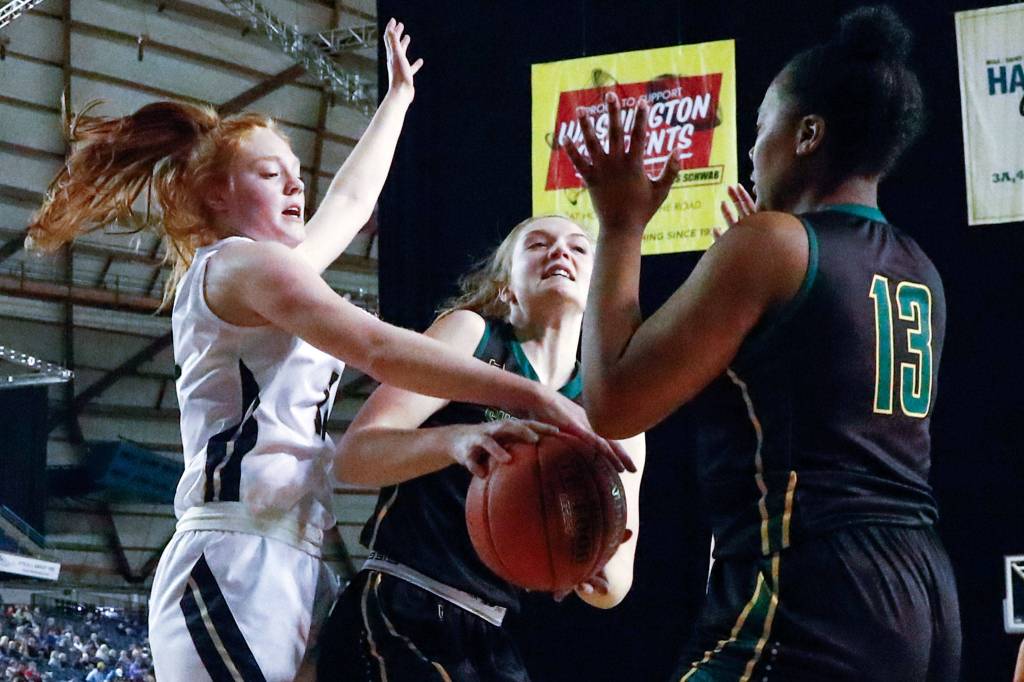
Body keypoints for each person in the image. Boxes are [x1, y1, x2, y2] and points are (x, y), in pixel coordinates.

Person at [27, 20, 628, 682]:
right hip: (234, 550)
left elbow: (348, 200)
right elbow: (376, 346)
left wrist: (398, 98)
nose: (295, 186)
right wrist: (530, 394)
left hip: (298, 556)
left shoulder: (282, 271)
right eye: (269, 173)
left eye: (295, 174)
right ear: (214, 194)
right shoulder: (235, 266)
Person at [564, 6, 960, 681]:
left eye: (759, 129)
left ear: (807, 135)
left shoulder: (772, 245)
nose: (751, 151)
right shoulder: (919, 266)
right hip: (921, 595)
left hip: (813, 588)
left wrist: (622, 225)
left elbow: (611, 401)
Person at [318, 215, 645, 681]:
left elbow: (614, 586)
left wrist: (588, 560)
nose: (560, 252)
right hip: (399, 601)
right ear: (506, 286)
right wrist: (456, 439)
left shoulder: (609, 411)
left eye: (578, 247)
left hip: (488, 630)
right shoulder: (472, 335)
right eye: (538, 244)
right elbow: (353, 457)